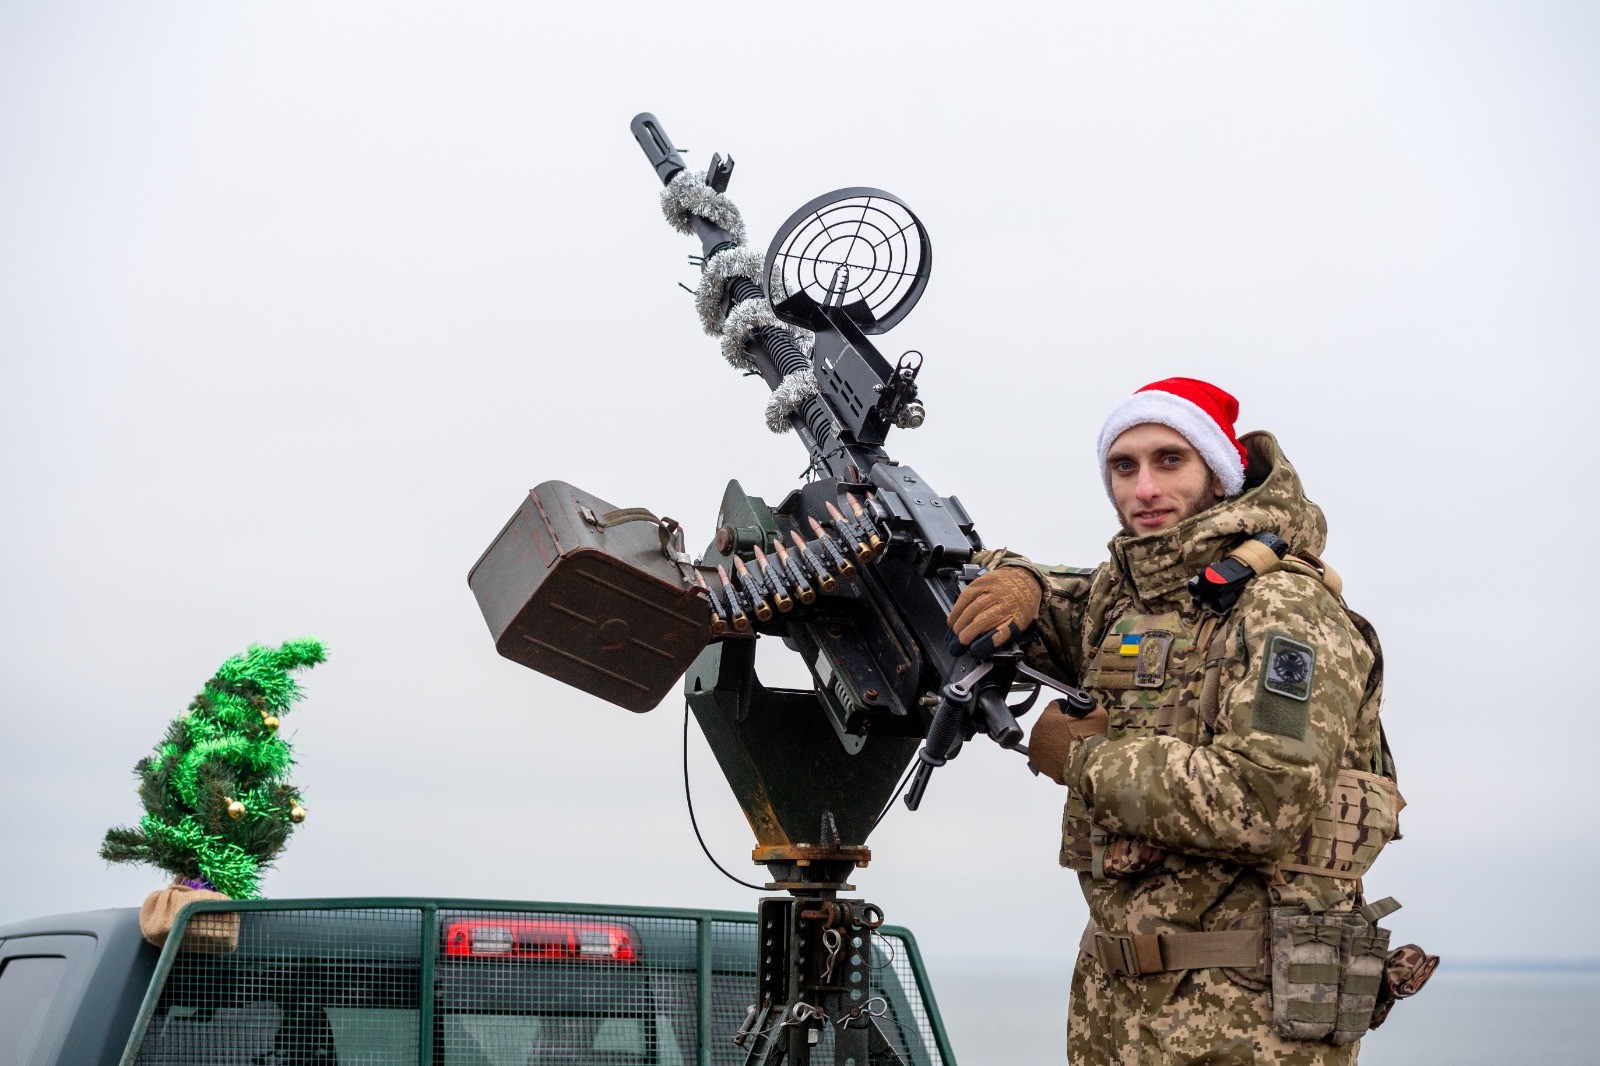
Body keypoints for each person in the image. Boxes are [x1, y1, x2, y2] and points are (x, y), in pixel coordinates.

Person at [947, 377, 1404, 1064]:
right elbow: (1048, 590)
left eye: (1170, 461)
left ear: (1219, 477)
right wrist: (1022, 581)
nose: (1144, 489)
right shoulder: (1132, 598)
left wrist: (1084, 761)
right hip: (1116, 1010)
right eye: (1123, 467)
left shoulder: (1285, 611)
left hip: (1244, 1026)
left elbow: (1265, 798)